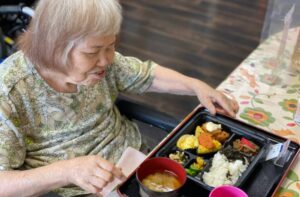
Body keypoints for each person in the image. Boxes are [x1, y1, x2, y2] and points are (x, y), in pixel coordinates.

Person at [0, 0, 239, 196]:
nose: (106, 60)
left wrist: (196, 86)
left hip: (138, 167)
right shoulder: (9, 91)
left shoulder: (104, 62)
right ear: (53, 47)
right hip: (78, 190)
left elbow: (148, 75)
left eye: (111, 46)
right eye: (92, 52)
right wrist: (66, 171)